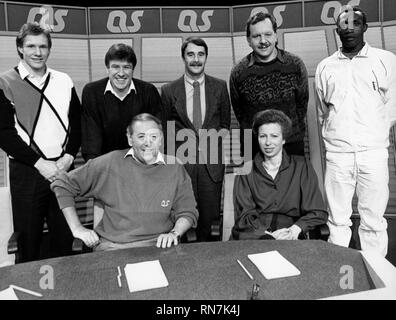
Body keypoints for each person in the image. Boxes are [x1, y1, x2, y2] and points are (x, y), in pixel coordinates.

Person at [315, 6, 396, 256]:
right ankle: (339, 278)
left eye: (356, 23)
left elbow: (392, 106)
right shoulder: (325, 67)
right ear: (337, 30)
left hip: (373, 153)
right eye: (344, 25)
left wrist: (374, 135)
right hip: (338, 156)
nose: (350, 29)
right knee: (338, 220)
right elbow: (322, 111)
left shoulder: (386, 60)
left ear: (365, 27)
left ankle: (376, 279)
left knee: (373, 221)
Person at [51, 113, 198, 250]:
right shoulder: (109, 163)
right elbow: (62, 185)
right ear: (130, 139)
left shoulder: (174, 167)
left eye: (154, 136)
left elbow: (187, 211)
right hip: (114, 247)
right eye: (141, 136)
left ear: (161, 139)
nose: (148, 143)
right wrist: (77, 228)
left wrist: (174, 233)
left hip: (160, 244)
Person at [0, 22, 81, 262]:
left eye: (43, 46)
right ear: (20, 48)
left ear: (49, 49)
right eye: (31, 46)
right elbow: (4, 134)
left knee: (65, 237)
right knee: (29, 240)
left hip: (63, 169)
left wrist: (69, 156)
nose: (38, 52)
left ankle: (66, 290)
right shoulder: (5, 82)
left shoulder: (64, 80)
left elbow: (76, 123)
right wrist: (39, 163)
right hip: (27, 172)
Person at [161, 37, 231, 242]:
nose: (196, 59)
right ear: (183, 57)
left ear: (206, 57)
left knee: (209, 222)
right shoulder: (168, 90)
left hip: (211, 166)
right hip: (182, 165)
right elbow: (166, 130)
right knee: (182, 217)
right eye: (191, 54)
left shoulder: (219, 87)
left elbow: (225, 124)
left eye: (200, 54)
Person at [231, 110, 328, 240]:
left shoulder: (302, 166)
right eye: (263, 136)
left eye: (274, 136)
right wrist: (267, 235)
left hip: (291, 234)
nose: (268, 142)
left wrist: (296, 229)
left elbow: (318, 211)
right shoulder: (246, 170)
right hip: (254, 235)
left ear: (283, 139)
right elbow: (244, 216)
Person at [230, 12, 308, 158]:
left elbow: (301, 106)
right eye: (256, 36)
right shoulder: (238, 72)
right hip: (253, 149)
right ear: (248, 40)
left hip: (291, 146)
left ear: (276, 36)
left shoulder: (295, 65)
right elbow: (240, 113)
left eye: (268, 34)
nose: (263, 40)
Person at [81, 43, 162, 161]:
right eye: (115, 67)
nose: (121, 73)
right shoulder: (92, 92)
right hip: (105, 165)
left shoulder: (148, 91)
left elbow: (156, 136)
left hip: (141, 164)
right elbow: (91, 143)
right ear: (107, 68)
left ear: (133, 69)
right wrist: (98, 173)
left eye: (126, 67)